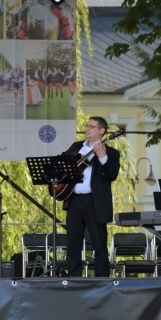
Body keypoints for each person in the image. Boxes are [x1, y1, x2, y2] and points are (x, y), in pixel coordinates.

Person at [62, 116, 120, 277]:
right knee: (73, 241)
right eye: (87, 126)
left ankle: (101, 278)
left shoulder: (112, 153)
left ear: (102, 131)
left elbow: (112, 174)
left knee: (98, 242)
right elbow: (62, 162)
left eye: (91, 126)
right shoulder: (76, 147)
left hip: (94, 201)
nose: (87, 129)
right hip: (74, 199)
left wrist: (102, 157)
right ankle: (74, 277)